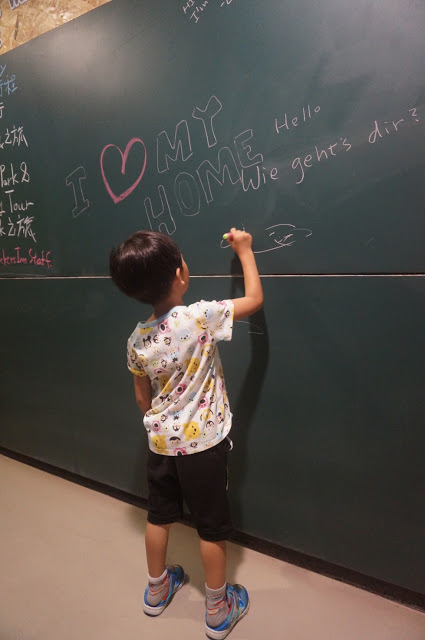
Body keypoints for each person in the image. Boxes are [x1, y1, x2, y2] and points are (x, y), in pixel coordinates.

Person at [109, 227, 263, 639]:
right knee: (211, 528)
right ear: (180, 273)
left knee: (159, 516)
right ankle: (217, 609)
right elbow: (253, 300)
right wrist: (245, 250)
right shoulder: (199, 317)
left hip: (161, 443)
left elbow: (142, 397)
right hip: (204, 447)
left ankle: (157, 589)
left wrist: (162, 422)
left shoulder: (136, 341)